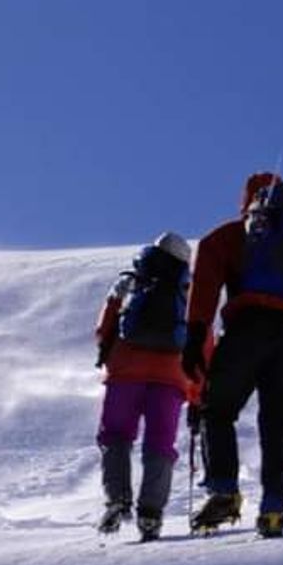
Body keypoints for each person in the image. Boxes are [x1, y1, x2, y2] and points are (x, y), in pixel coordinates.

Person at [181, 173, 283, 538]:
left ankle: (224, 491)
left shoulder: (235, 234)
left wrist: (196, 335)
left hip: (248, 326)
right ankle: (274, 508)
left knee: (218, 410)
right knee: (278, 426)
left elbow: (205, 285)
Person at [94, 231, 195, 541]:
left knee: (116, 436)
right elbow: (200, 340)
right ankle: (151, 514)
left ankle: (117, 499)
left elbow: (103, 330)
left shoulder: (135, 281)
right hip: (171, 376)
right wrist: (196, 391)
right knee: (160, 444)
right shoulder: (186, 291)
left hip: (125, 371)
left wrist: (114, 303)